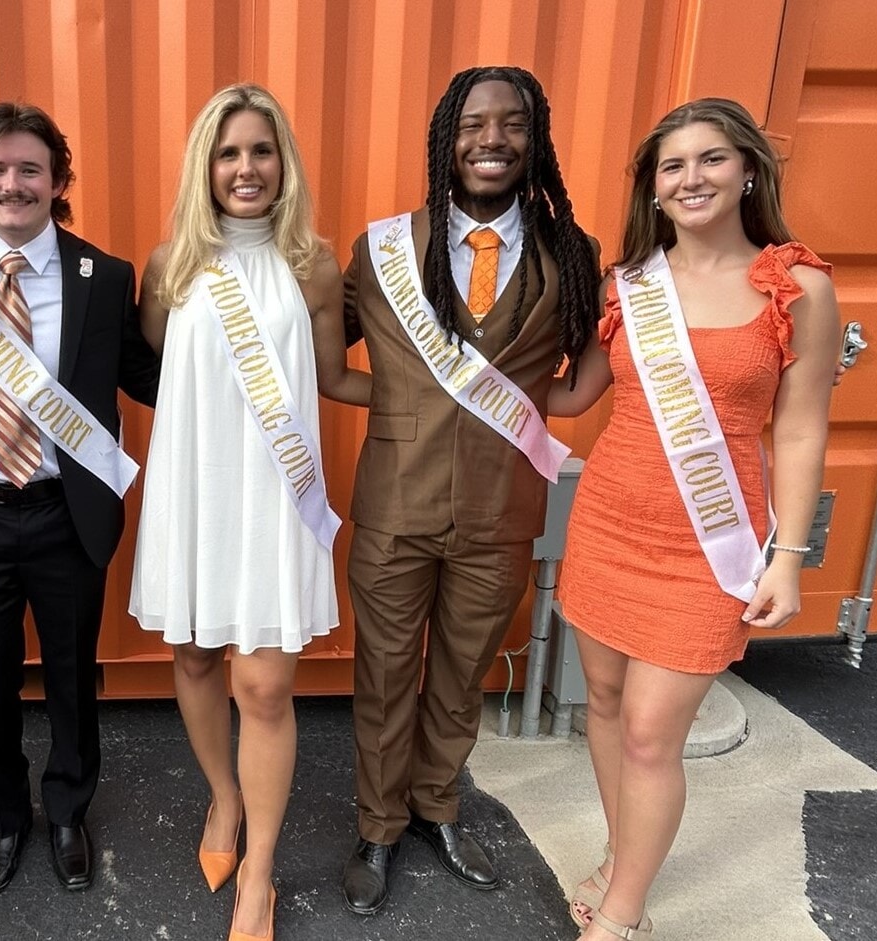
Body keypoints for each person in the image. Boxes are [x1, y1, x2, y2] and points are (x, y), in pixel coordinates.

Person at [550, 98, 839, 940]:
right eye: (671, 166)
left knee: (649, 732)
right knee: (602, 705)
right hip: (607, 522)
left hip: (707, 546)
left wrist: (787, 556)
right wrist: (476, 356)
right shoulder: (628, 285)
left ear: (748, 168)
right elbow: (572, 395)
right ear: (652, 188)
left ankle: (624, 909)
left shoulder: (797, 286)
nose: (691, 179)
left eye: (710, 159)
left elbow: (798, 427)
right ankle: (620, 855)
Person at [339, 65, 603, 915]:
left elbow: (579, 371)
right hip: (394, 505)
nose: (491, 140)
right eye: (472, 125)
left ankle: (437, 807)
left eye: (512, 124)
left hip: (500, 511)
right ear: (445, 138)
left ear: (536, 138)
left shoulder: (574, 253)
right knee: (383, 672)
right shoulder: (382, 248)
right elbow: (308, 344)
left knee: (460, 675)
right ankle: (377, 823)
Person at [0, 102, 159, 897]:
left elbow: (146, 379)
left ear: (58, 181)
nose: (12, 184)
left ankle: (69, 809)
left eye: (29, 169)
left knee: (74, 672)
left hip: (63, 509)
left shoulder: (104, 274)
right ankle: (8, 815)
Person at [130, 83, 369, 940]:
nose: (245, 168)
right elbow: (162, 364)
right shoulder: (169, 265)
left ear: (283, 163)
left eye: (260, 151)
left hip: (274, 496)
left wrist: (418, 407)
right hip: (196, 485)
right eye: (227, 152)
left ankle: (258, 869)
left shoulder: (313, 262)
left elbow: (333, 375)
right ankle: (223, 799)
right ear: (205, 164)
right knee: (193, 657)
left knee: (263, 683)